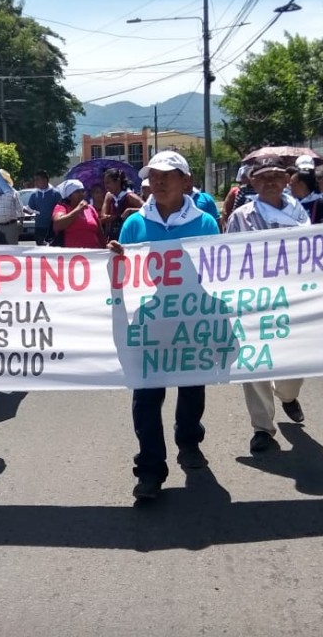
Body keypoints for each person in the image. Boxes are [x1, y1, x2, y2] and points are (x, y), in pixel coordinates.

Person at [108, 150, 220, 501]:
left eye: (168, 174)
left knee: (191, 387)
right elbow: (122, 275)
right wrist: (115, 260)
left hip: (191, 319)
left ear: (186, 181)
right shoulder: (134, 224)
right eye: (154, 175)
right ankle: (151, 470)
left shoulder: (205, 222)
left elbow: (219, 272)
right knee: (145, 397)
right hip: (149, 322)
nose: (158, 180)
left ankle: (188, 441)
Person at [226, 156, 311, 453]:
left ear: (287, 179)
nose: (270, 181)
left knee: (293, 368)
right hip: (255, 302)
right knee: (255, 365)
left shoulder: (302, 214)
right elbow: (228, 259)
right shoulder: (241, 217)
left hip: (293, 301)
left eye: (276, 175)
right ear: (253, 182)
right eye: (263, 177)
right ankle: (262, 428)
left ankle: (287, 396)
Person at [51, 179, 105, 248]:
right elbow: (57, 225)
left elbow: (100, 233)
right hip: (72, 256)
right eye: (77, 192)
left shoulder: (90, 208)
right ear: (69, 196)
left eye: (82, 191)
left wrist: (105, 248)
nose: (81, 194)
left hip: (92, 255)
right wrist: (78, 210)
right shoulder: (62, 207)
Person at [101, 167, 143, 243]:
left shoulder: (129, 196)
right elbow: (103, 217)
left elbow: (148, 209)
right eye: (105, 183)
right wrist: (118, 217)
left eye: (108, 183)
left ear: (117, 181)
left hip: (129, 234)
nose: (106, 186)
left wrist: (130, 211)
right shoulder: (109, 196)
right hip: (113, 236)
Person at [0, 169, 25, 245]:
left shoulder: (14, 193)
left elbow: (20, 210)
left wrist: (21, 224)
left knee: (12, 249)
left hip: (11, 226)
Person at [27, 170, 61, 245]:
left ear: (45, 180)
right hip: (39, 227)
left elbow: (61, 209)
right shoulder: (34, 194)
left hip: (52, 227)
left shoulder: (55, 193)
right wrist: (28, 210)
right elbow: (30, 208)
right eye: (35, 180)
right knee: (40, 250)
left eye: (37, 180)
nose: (35, 182)